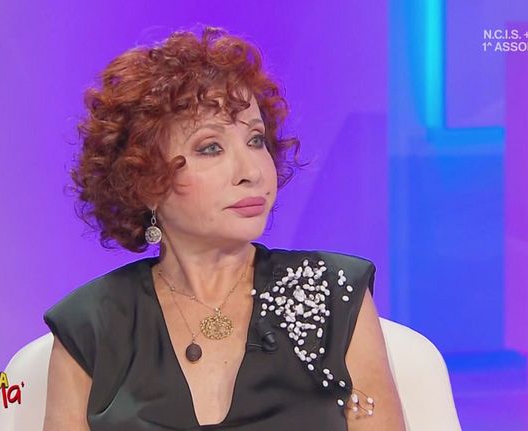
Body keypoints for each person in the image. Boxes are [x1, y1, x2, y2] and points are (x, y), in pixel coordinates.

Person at [42, 26, 405, 431]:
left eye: (256, 140)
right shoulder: (91, 325)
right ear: (143, 180)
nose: (252, 171)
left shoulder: (335, 294)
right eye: (210, 147)